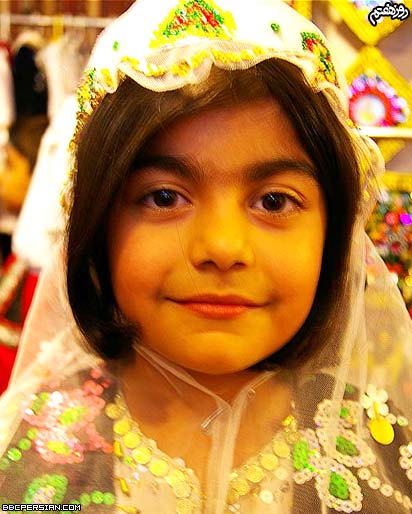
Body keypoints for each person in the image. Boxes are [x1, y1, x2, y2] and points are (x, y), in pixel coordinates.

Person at [0, 1, 411, 512]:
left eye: (274, 202)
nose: (221, 247)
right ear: (97, 222)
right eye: (164, 197)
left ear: (335, 233)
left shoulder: (387, 453)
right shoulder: (22, 454)